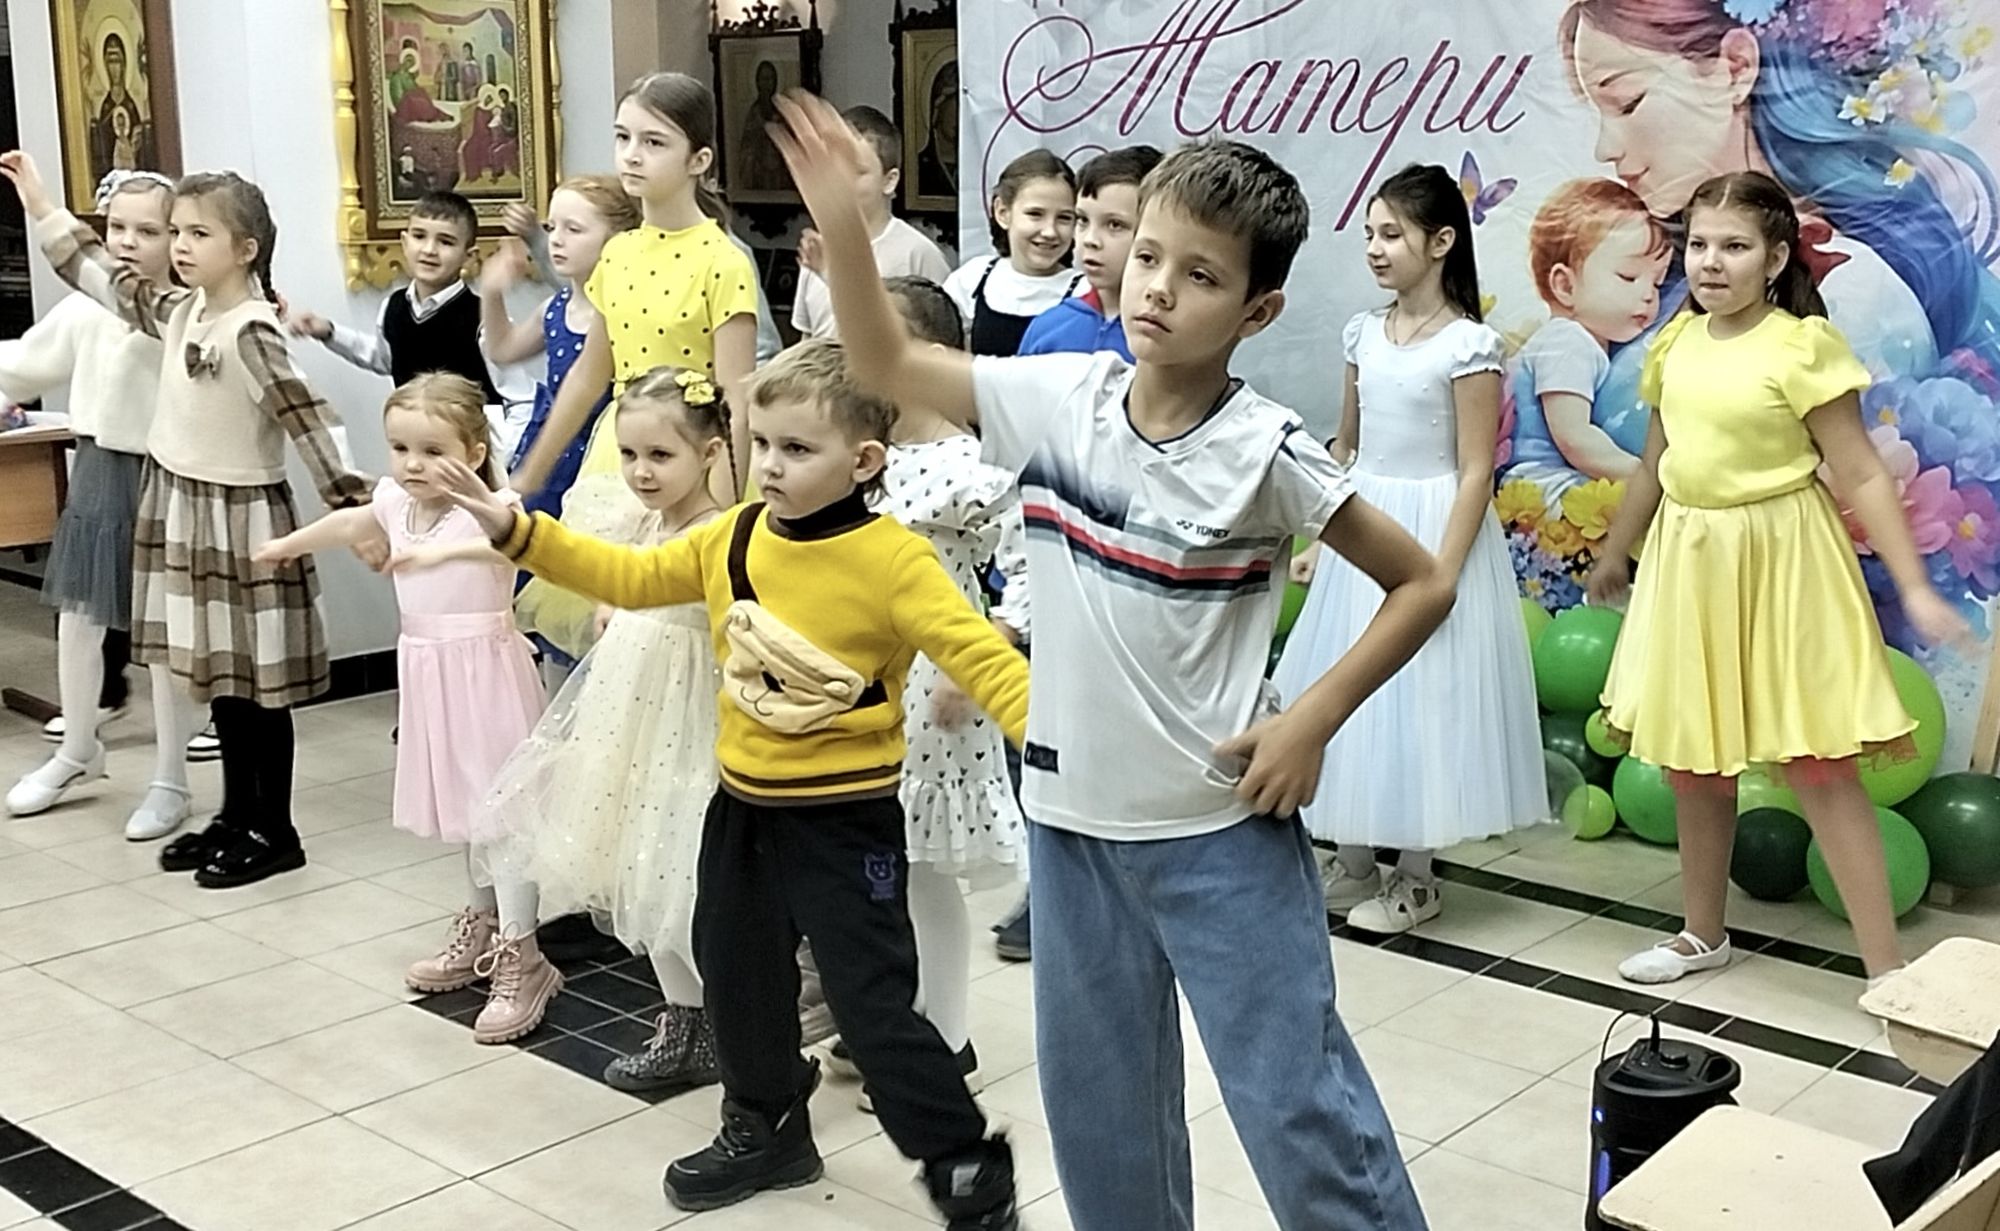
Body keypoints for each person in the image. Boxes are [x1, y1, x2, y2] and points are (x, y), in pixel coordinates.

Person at [772, 93, 1445, 1230]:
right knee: (1103, 1122)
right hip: (1072, 831)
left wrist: (1309, 718)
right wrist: (844, 218)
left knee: (1296, 1109)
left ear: (1257, 308)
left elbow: (1420, 581)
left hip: (1218, 833)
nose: (1158, 289)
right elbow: (881, 354)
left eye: (1199, 275)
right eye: (1148, 258)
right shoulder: (1055, 401)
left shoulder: (1265, 449)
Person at [425, 337, 1029, 1229]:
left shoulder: (895, 559)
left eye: (799, 448)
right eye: (765, 443)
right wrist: (515, 529)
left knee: (871, 1004)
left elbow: (983, 660)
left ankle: (965, 1165)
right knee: (738, 973)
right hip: (741, 808)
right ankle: (766, 1124)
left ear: (864, 461)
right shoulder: (733, 535)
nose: (771, 464)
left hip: (844, 822)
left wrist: (1061, 751)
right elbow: (630, 576)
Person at [1588, 171, 1969, 989]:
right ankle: (1701, 933)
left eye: (1734, 246)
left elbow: (1860, 471)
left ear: (1774, 258)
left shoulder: (1801, 347)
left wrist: (1916, 586)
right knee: (1696, 760)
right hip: (1691, 561)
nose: (1710, 262)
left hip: (1785, 563)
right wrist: (1618, 549)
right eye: (1698, 244)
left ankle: (1886, 967)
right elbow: (1655, 462)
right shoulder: (1675, 344)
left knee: (1819, 763)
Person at [2, 153, 373, 888]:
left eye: (199, 234)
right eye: (176, 232)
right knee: (220, 682)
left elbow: (312, 421)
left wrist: (359, 509)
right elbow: (97, 274)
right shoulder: (181, 312)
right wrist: (42, 205)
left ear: (246, 248)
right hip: (183, 509)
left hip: (242, 521)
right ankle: (235, 814)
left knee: (256, 688)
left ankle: (275, 828)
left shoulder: (252, 330)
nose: (179, 245)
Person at [434, 366, 729, 1090]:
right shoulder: (642, 520)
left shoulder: (721, 533)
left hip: (689, 717)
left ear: (712, 452)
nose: (641, 471)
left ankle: (729, 1023)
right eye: (629, 454)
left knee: (682, 876)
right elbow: (612, 574)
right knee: (640, 870)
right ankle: (687, 1022)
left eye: (660, 456)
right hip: (629, 711)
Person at [1277, 164, 1545, 932]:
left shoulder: (1469, 345)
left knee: (1424, 695)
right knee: (1353, 684)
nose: (1375, 247)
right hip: (1366, 524)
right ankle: (1355, 857)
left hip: (1431, 531)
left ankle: (1417, 875)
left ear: (1441, 240)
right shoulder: (1362, 333)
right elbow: (1347, 447)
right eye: (1370, 233)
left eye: (1391, 233)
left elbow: (1475, 469)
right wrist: (1322, 541)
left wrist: (1442, 571)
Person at [254, 374, 551, 1038]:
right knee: (465, 813)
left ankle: (523, 953)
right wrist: (287, 545)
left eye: (432, 451)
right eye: (400, 448)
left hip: (484, 675)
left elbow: (508, 539)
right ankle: (482, 922)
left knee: (502, 816)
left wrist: (439, 548)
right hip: (428, 672)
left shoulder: (492, 506)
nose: (412, 464)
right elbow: (351, 522)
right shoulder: (395, 500)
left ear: (474, 453)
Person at [822, 276, 1026, 1107]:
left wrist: (979, 658)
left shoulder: (969, 465)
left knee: (924, 869)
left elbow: (1028, 565)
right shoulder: (867, 455)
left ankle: (943, 1039)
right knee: (882, 866)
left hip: (934, 689)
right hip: (867, 683)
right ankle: (899, 1016)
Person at [1, 169, 210, 842]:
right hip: (97, 471)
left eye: (147, 230)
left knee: (162, 640)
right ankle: (77, 749)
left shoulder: (185, 310)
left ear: (176, 237)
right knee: (80, 620)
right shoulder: (85, 308)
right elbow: (23, 365)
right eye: (116, 227)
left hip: (166, 476)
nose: (126, 242)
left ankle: (171, 778)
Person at [479, 177, 640, 527]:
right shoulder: (556, 307)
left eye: (574, 229)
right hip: (553, 452)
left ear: (617, 239)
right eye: (551, 228)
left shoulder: (624, 311)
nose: (555, 240)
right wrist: (492, 292)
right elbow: (502, 349)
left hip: (604, 456)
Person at [1503, 178, 1670, 505]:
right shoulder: (1568, 343)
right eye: (1629, 277)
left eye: (1658, 283)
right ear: (1565, 285)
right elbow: (1575, 438)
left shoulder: (1582, 340)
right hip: (1541, 484)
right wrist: (1648, 479)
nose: (1649, 295)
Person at [288, 190, 501, 407]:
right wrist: (329, 332)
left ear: (469, 256)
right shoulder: (394, 306)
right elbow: (384, 357)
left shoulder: (486, 318)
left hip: (471, 428)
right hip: (409, 426)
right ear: (405, 243)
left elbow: (514, 396)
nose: (429, 250)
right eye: (419, 236)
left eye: (445, 242)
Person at [790, 106, 951, 341]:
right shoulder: (818, 249)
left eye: (857, 171)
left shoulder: (919, 254)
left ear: (889, 181)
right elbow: (807, 340)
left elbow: (943, 342)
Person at [1018, 144, 1163, 361]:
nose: (1090, 240)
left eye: (1115, 225)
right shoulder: (1048, 328)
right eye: (1082, 220)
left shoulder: (1169, 342)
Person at [940, 150, 1080, 356]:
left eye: (1064, 218)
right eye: (1035, 214)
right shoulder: (972, 280)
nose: (1050, 231)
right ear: (1002, 212)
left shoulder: (1084, 293)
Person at [914, 62, 959, 201]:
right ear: (937, 107)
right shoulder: (918, 167)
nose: (961, 117)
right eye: (957, 105)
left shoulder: (979, 168)